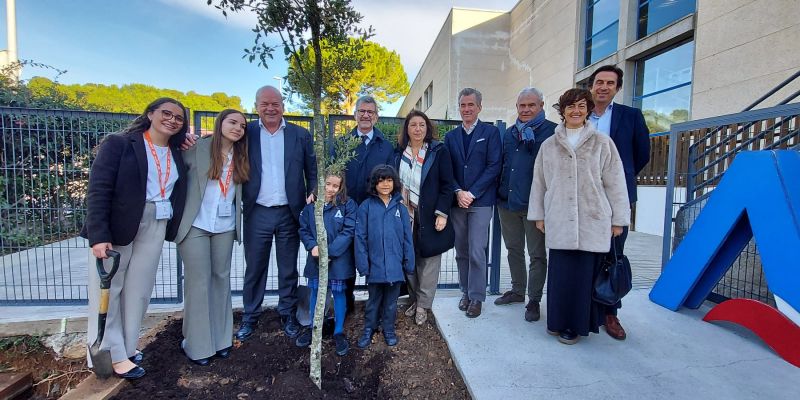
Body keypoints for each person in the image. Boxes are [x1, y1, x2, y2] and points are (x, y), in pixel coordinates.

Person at [81, 97, 189, 379]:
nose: (172, 120)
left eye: (179, 118)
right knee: (108, 291)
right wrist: (98, 235)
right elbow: (98, 189)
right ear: (150, 114)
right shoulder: (119, 143)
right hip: (119, 224)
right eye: (166, 113)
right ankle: (108, 354)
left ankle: (127, 348)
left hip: (157, 221)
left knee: (139, 291)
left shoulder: (176, 151)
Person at [528, 88, 630, 345]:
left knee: (585, 276)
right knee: (561, 275)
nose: (576, 111)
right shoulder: (548, 146)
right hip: (560, 218)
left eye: (581, 106)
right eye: (570, 106)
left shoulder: (602, 143)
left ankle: (576, 326)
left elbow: (616, 183)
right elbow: (539, 183)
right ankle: (557, 322)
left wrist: (618, 220)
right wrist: (539, 215)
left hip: (592, 219)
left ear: (588, 110)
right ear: (562, 111)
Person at [237, 85, 317, 341]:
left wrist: (313, 191)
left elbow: (312, 170)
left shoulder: (300, 135)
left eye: (275, 103)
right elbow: (219, 143)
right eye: (265, 104)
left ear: (283, 105)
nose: (270, 108)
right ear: (256, 106)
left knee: (287, 268)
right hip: (257, 212)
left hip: (289, 212)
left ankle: (288, 314)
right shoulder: (244, 133)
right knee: (255, 268)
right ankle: (250, 317)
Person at [175, 109, 249, 366]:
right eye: (232, 122)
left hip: (225, 226)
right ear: (220, 124)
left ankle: (221, 341)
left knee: (221, 280)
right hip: (195, 224)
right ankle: (197, 346)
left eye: (242, 125)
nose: (238, 128)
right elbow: (172, 162)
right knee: (199, 283)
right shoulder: (198, 147)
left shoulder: (241, 155)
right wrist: (183, 138)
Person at [588, 65, 651, 340]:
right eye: (599, 82)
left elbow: (642, 154)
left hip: (616, 199)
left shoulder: (631, 116)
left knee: (613, 255)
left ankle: (611, 313)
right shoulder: (579, 115)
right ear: (591, 85)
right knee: (586, 255)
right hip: (584, 198)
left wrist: (616, 179)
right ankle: (588, 308)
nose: (603, 87)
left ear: (617, 88)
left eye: (609, 83)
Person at [495, 87, 557, 323]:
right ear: (517, 107)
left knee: (537, 254)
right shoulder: (510, 133)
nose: (526, 109)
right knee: (513, 249)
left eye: (531, 105)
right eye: (522, 105)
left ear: (541, 105)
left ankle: (534, 299)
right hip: (507, 202)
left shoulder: (552, 132)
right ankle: (518, 290)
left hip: (535, 205)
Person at [443, 87, 502, 318]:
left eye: (471, 105)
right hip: (458, 202)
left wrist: (472, 193)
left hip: (481, 201)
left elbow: (494, 166)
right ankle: (465, 292)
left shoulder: (491, 133)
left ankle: (477, 297)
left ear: (479, 107)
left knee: (477, 250)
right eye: (463, 105)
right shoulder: (451, 137)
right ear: (459, 108)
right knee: (461, 250)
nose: (466, 109)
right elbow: (448, 169)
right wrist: (458, 191)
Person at [393, 110, 455, 326]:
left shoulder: (439, 151)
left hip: (430, 214)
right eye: (413, 125)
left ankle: (423, 306)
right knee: (409, 258)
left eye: (421, 125)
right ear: (406, 129)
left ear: (427, 128)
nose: (417, 129)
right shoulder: (399, 153)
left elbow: (448, 185)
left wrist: (442, 213)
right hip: (404, 213)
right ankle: (414, 299)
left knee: (429, 261)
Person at [341, 95, 395, 314]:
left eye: (370, 112)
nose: (365, 115)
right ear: (355, 115)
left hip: (374, 212)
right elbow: (334, 175)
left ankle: (376, 308)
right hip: (346, 211)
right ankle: (346, 304)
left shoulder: (386, 147)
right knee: (345, 260)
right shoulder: (342, 143)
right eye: (361, 111)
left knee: (375, 258)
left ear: (376, 117)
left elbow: (391, 181)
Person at [295, 172, 357, 356]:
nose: (330, 189)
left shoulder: (348, 205)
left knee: (338, 292)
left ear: (341, 187)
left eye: (335, 186)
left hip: (338, 260)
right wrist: (312, 246)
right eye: (327, 184)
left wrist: (330, 252)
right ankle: (315, 327)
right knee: (316, 291)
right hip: (315, 260)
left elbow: (348, 231)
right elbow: (304, 228)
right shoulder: (311, 206)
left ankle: (338, 331)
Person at [355, 165, 414, 348]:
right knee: (373, 301)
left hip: (395, 266)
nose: (385, 184)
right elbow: (360, 237)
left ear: (394, 183)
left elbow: (407, 238)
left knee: (391, 302)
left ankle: (388, 329)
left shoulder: (401, 209)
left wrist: (408, 262)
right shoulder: (366, 207)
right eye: (381, 181)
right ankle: (369, 328)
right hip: (375, 266)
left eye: (389, 180)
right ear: (375, 183)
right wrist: (363, 265)